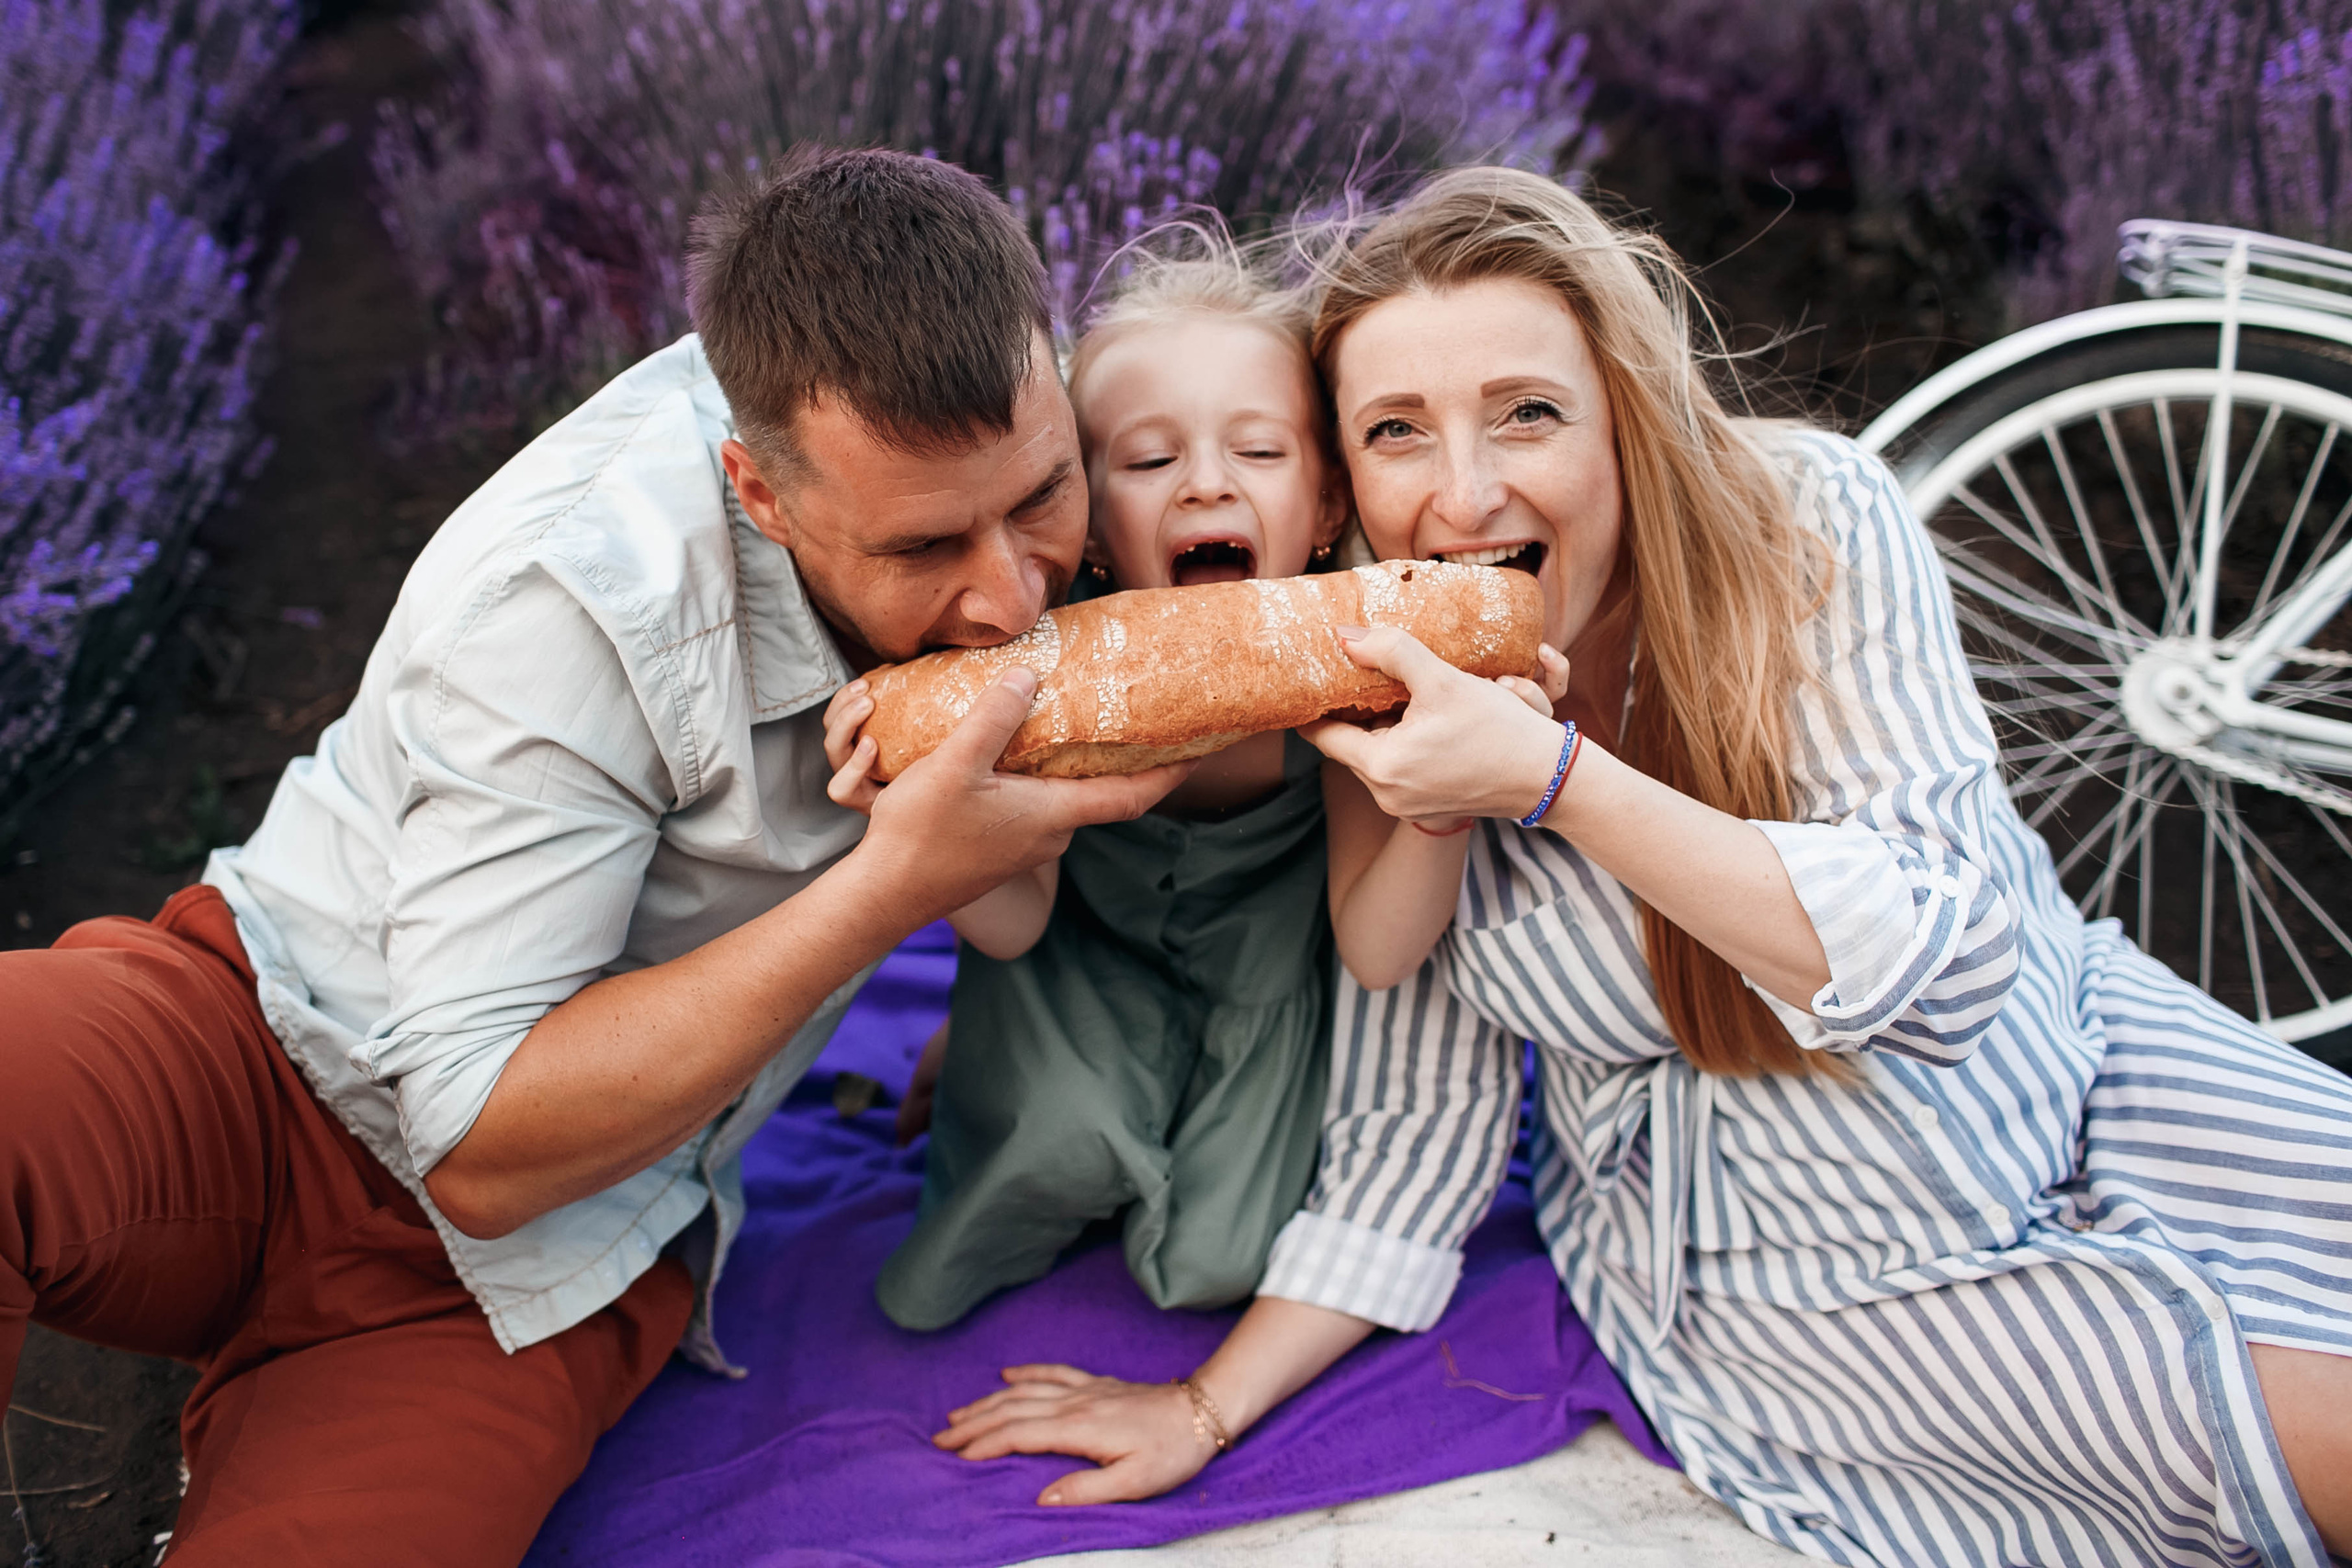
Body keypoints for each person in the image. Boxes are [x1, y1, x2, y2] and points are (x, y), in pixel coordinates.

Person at [929, 167, 2352, 1565]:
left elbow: (1956, 958)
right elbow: (1412, 1118)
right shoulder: (1388, 698)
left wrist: (1559, 782)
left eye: (1528, 413)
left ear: (1627, 418)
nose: (1468, 492)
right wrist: (1201, 1401)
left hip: (2081, 1055)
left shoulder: (1811, 522)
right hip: (1793, 1264)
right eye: (1399, 432)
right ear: (1347, 487)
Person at [0, 148, 1185, 1564]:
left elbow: (495, 1203)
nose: (1007, 597)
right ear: (758, 489)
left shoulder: (1060, 459)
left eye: (1040, 498)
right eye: (926, 545)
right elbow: (476, 1134)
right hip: (249, 1034)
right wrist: (890, 887)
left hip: (552, 1256)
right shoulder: (570, 591)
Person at [824, 246, 1567, 1331]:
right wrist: (914, 822)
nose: (1206, 484)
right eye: (1145, 461)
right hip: (1064, 985)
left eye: (1256, 450)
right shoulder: (1032, 683)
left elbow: (1377, 948)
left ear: (1322, 507)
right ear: (1080, 528)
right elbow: (1012, 930)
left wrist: (1443, 799)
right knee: (980, 1234)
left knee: (1220, 1263)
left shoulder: (1364, 680)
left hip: (1265, 1009)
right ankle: (995, 1087)